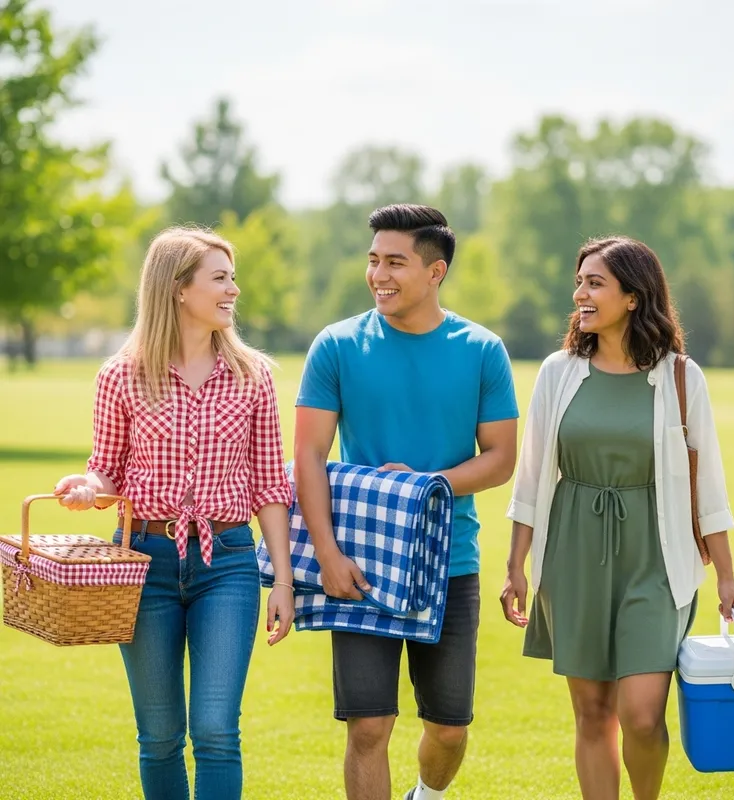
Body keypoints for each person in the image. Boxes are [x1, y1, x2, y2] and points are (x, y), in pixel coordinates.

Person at [54, 226, 295, 800]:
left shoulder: (252, 375)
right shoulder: (122, 375)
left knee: (216, 731)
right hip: (144, 564)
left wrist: (281, 579)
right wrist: (88, 488)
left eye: (232, 277)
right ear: (178, 289)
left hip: (229, 563)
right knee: (159, 736)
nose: (233, 289)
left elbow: (268, 485)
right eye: (220, 278)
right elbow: (106, 469)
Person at [501, 236, 734, 800]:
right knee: (592, 712)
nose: (579, 294)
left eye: (595, 283)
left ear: (634, 297)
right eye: (580, 281)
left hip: (656, 557)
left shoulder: (682, 377)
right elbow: (533, 477)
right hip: (574, 551)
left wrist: (727, 576)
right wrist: (516, 565)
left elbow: (708, 486)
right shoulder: (558, 372)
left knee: (640, 715)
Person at [294, 204, 518, 800]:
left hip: (449, 563)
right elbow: (309, 456)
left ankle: (429, 795)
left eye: (395, 262)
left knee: (447, 729)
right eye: (373, 261)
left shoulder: (481, 349)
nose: (379, 275)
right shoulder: (336, 345)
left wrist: (426, 483)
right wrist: (326, 554)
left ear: (435, 271)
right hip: (358, 562)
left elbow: (500, 457)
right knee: (368, 724)